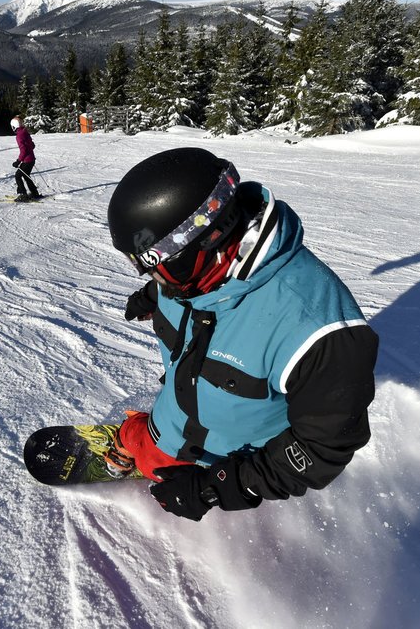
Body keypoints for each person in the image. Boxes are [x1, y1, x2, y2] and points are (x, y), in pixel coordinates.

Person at [104, 147, 378, 522]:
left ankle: (141, 444)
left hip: (217, 459)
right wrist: (154, 295)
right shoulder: (198, 277)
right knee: (153, 427)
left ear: (206, 243)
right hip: (179, 416)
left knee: (149, 452)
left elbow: (324, 445)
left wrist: (217, 487)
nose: (154, 280)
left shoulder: (316, 329)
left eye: (157, 270)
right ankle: (141, 435)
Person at [10, 116, 40, 202]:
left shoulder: (19, 135)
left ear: (14, 127)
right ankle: (35, 193)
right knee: (26, 176)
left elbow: (23, 150)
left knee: (18, 176)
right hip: (31, 159)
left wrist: (18, 161)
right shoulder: (25, 132)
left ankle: (23, 194)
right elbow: (32, 145)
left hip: (27, 160)